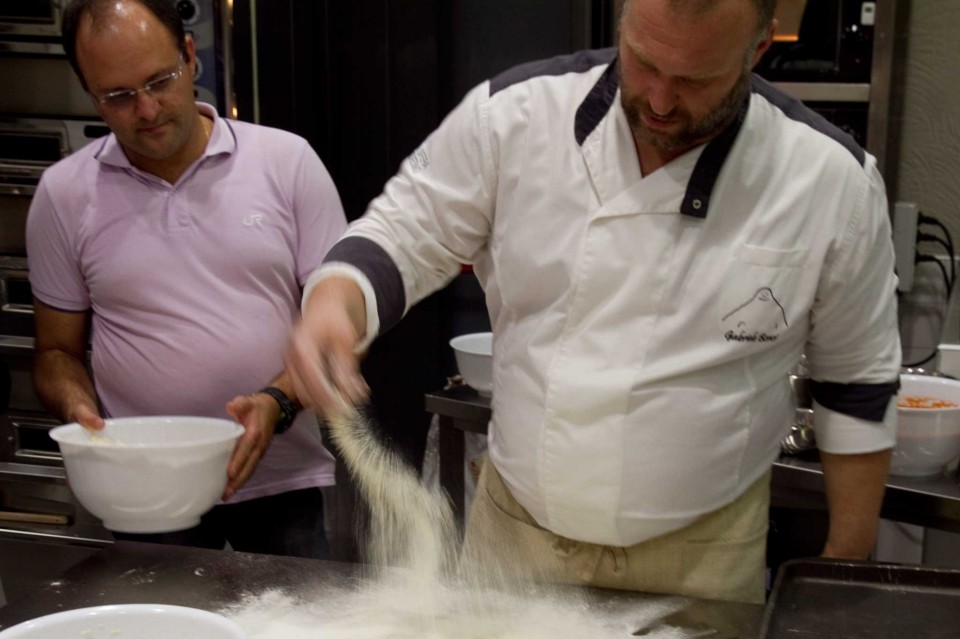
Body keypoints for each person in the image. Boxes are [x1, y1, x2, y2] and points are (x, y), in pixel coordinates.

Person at [285, 0, 901, 602]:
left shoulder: (829, 180)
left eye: (695, 79)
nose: (660, 100)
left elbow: (856, 382)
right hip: (516, 543)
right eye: (642, 62)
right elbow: (402, 234)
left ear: (759, 48)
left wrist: (843, 571)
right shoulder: (513, 116)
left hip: (702, 560)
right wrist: (337, 303)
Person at [27, 0, 348, 558]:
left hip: (279, 479)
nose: (147, 109)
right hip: (147, 489)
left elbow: (340, 324)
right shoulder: (63, 194)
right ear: (90, 93)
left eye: (159, 81)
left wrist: (277, 403)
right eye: (118, 96)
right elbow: (56, 351)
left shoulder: (286, 161)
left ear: (191, 57)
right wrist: (78, 407)